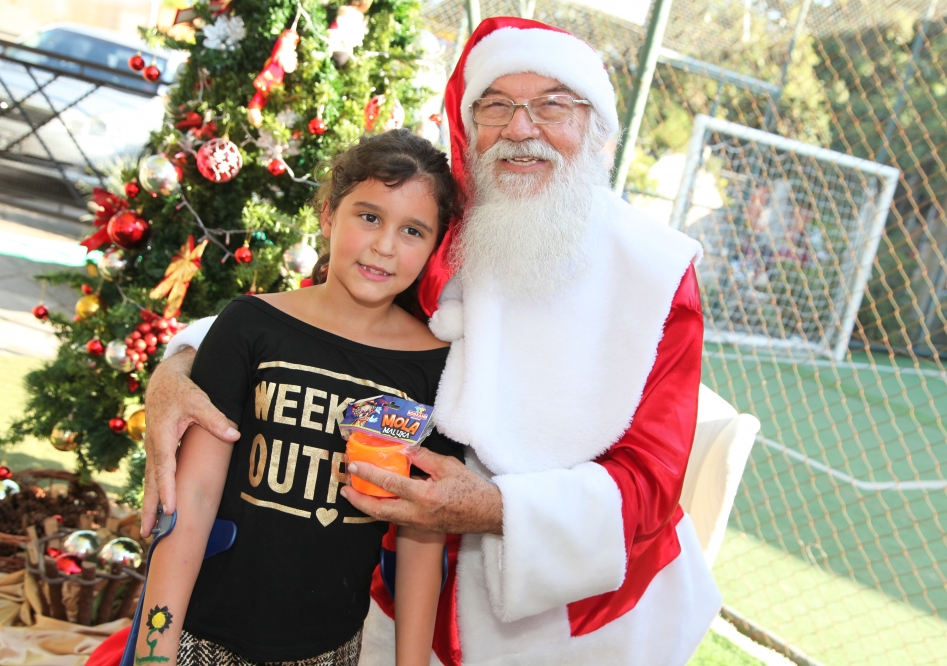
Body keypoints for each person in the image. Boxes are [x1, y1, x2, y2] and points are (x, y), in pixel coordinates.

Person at [144, 17, 721, 666]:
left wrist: (497, 508)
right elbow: (315, 322)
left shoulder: (656, 274)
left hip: (587, 615)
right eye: (495, 106)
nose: (520, 128)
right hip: (404, 591)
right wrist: (181, 366)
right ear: (470, 127)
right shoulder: (439, 228)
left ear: (599, 128)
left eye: (552, 106)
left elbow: (651, 480)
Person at [134, 129, 464, 666]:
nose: (385, 246)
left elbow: (422, 532)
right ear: (329, 214)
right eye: (369, 216)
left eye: (412, 230)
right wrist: (156, 653)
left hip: (331, 649)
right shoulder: (249, 325)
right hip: (202, 635)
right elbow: (192, 498)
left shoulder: (436, 367)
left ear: (434, 247)